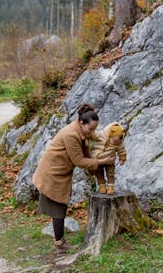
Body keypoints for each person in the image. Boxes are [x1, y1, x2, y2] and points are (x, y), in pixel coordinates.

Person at [32, 103, 115, 255]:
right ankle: (60, 245)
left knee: (60, 208)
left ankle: (60, 242)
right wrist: (103, 162)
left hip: (60, 172)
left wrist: (110, 139)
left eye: (94, 128)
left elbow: (94, 138)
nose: (92, 132)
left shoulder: (81, 130)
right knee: (58, 209)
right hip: (52, 173)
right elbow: (79, 161)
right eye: (90, 129)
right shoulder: (71, 134)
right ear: (81, 123)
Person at [91, 122, 127, 195]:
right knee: (99, 173)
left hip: (110, 161)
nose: (115, 143)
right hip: (98, 160)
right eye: (114, 141)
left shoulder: (119, 143)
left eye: (117, 143)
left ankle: (110, 186)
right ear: (110, 135)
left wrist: (122, 158)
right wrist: (91, 133)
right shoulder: (101, 135)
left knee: (110, 173)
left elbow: (122, 150)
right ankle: (102, 186)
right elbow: (93, 136)